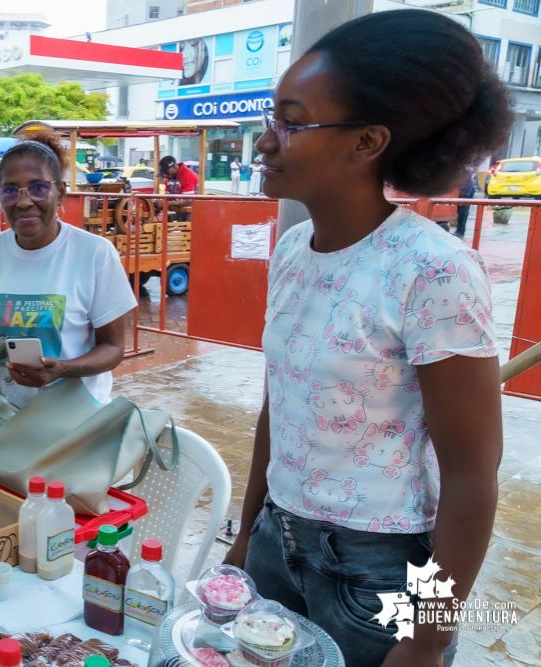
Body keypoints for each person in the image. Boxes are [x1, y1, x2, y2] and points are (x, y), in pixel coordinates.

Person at [221, 11, 511, 667]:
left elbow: (472, 477)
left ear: (367, 141)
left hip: (378, 577)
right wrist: (245, 538)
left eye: (291, 122)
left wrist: (426, 637)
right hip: (277, 543)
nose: (264, 141)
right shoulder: (292, 250)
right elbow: (281, 407)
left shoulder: (432, 271)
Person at [0, 129, 137, 410]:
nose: (24, 201)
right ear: (0, 195)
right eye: (10, 190)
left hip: (76, 421)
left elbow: (113, 348)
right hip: (5, 418)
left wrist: (63, 368)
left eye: (38, 187)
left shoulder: (94, 254)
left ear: (60, 192)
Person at [156, 156, 198, 222]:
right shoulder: (168, 178)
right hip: (178, 212)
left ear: (174, 167)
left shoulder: (188, 175)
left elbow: (187, 201)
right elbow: (167, 197)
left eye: (166, 172)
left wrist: (165, 203)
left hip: (192, 213)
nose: (165, 176)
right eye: (164, 174)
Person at [454, 172, 476, 238]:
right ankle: (460, 230)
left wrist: (463, 195)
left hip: (466, 194)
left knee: (462, 213)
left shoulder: (465, 174)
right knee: (462, 213)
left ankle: (460, 231)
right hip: (465, 193)